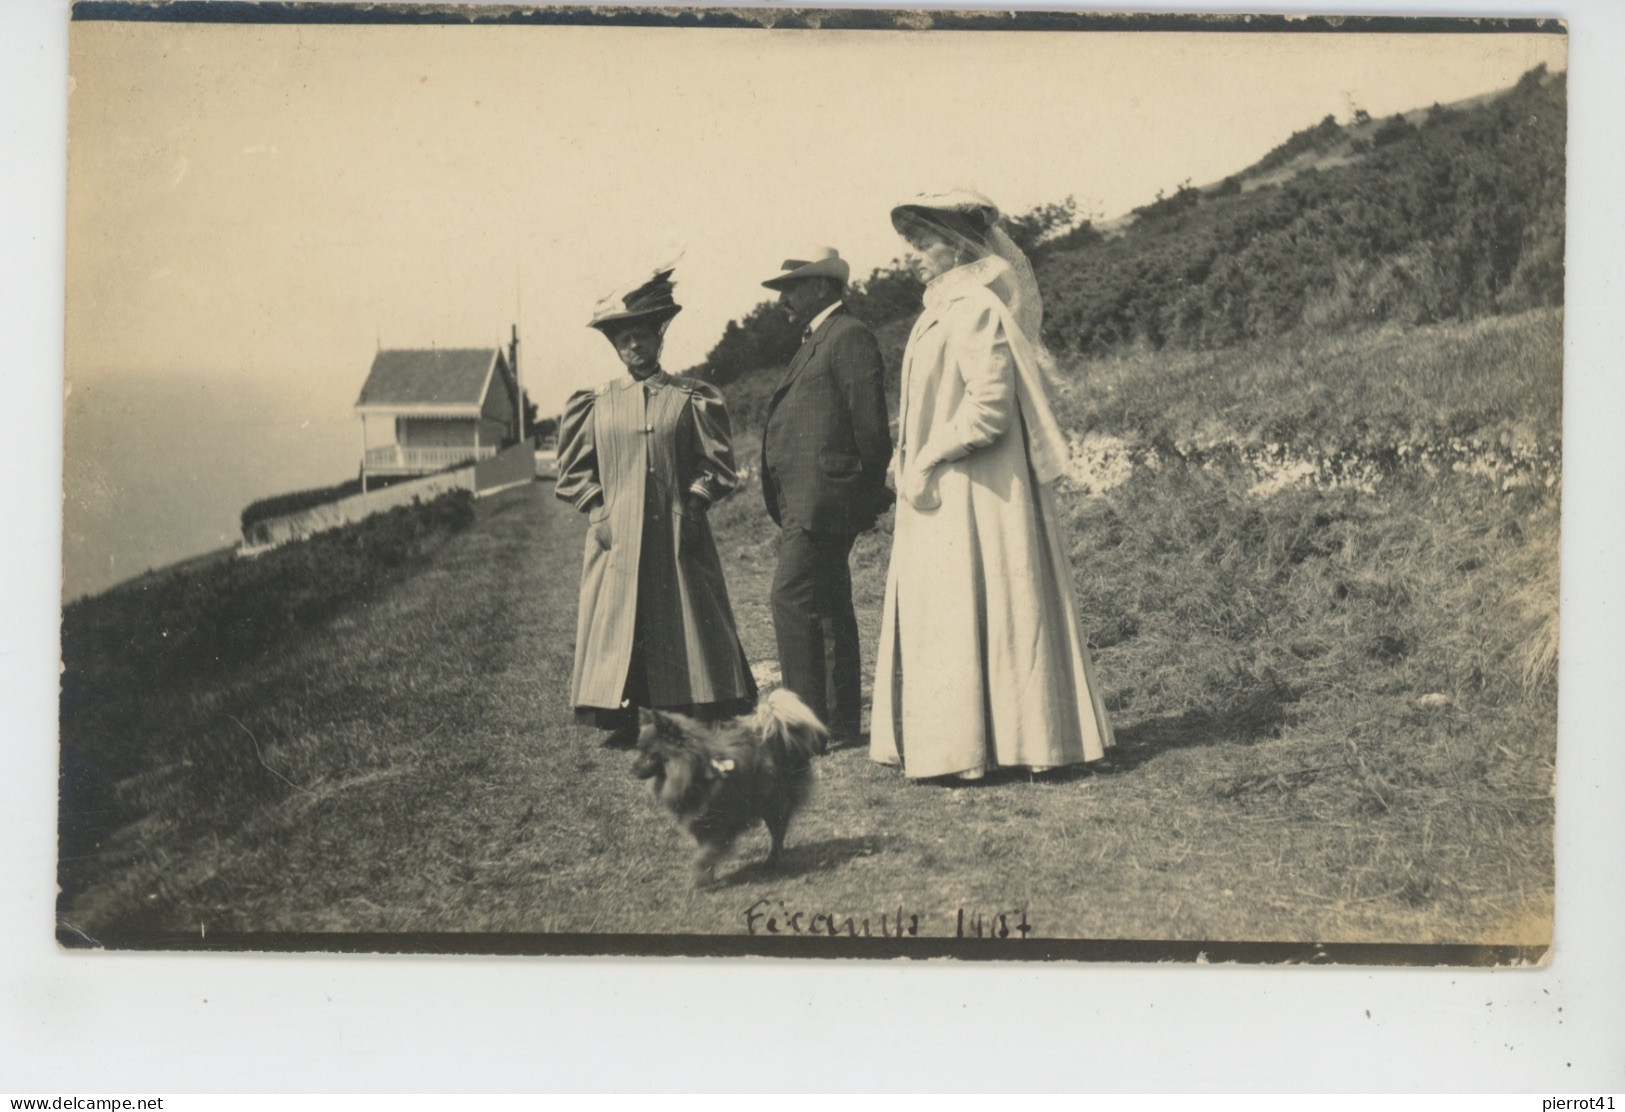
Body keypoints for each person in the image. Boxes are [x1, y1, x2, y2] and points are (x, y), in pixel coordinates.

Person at [871, 191, 1114, 781]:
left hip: (979, 489)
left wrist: (928, 453)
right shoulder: (943, 309)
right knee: (959, 611)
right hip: (950, 487)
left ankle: (1012, 744)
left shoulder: (975, 308)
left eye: (926, 243)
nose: (918, 256)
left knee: (992, 609)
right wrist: (904, 453)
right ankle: (966, 744)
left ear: (959, 246)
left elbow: (988, 409)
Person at [557, 266, 757, 745]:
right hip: (615, 537)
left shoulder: (690, 397)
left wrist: (693, 505)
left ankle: (688, 709)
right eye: (624, 339)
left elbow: (717, 464)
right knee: (624, 618)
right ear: (616, 346)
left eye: (642, 336)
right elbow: (573, 472)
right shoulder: (597, 403)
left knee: (682, 612)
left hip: (677, 527)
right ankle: (627, 718)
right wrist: (598, 513)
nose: (633, 346)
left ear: (657, 339)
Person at [758, 247, 893, 743]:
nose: (782, 301)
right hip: (811, 498)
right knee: (829, 603)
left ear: (819, 288)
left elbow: (872, 429)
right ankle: (837, 722)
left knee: (789, 599)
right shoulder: (820, 338)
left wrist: (861, 494)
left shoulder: (848, 335)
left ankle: (803, 729)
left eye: (789, 290)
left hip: (826, 499)